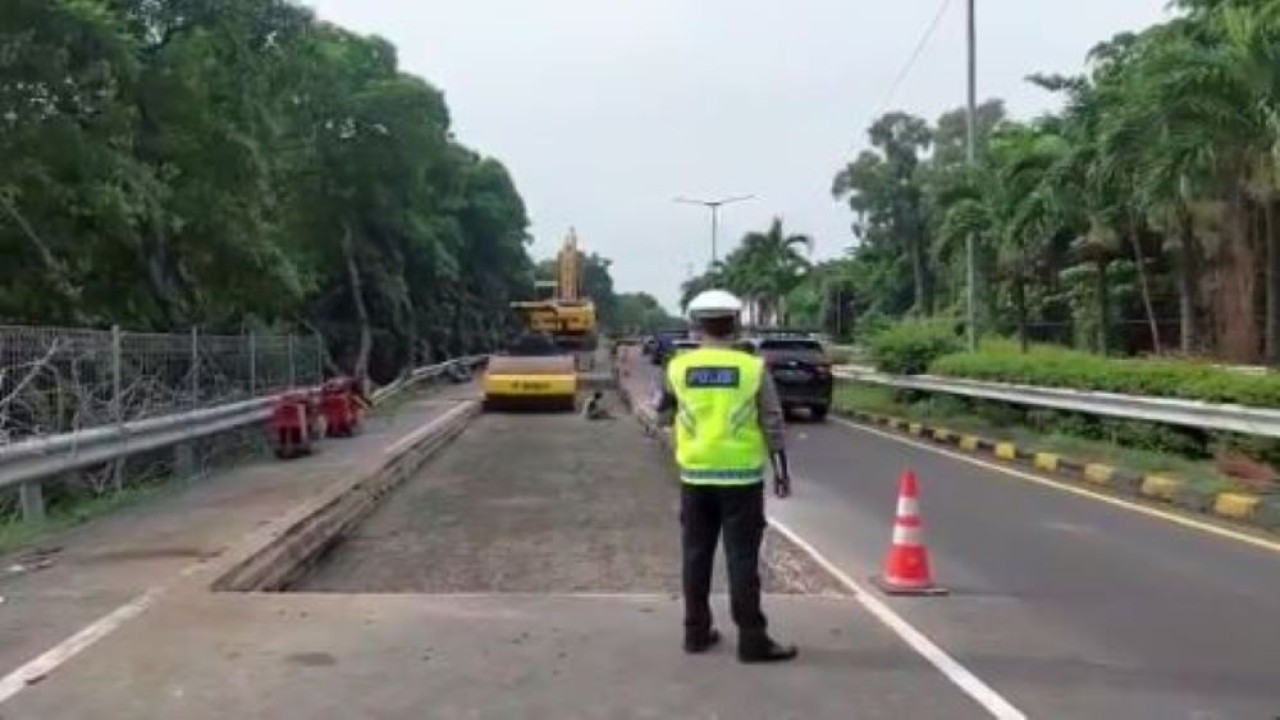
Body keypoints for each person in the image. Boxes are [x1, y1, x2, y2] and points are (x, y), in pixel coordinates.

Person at [652, 289, 797, 663]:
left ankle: (695, 633)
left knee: (695, 556)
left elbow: (662, 414)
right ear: (734, 323)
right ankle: (752, 639)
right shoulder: (753, 369)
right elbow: (772, 421)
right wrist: (781, 470)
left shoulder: (677, 368)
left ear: (697, 325)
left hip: (696, 476)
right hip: (742, 480)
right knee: (742, 559)